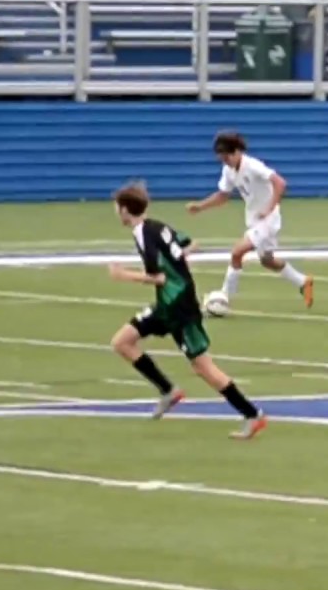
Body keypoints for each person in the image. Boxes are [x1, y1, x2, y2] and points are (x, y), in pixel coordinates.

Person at [108, 181, 268, 440]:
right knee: (122, 342)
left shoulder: (144, 234)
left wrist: (123, 274)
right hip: (167, 304)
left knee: (203, 366)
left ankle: (252, 414)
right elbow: (191, 244)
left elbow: (158, 277)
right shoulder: (157, 226)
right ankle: (168, 390)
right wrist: (176, 262)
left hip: (178, 307)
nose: (116, 212)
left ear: (125, 210)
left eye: (117, 207)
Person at [186, 131, 313, 310]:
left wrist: (269, 208)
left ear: (237, 151)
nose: (225, 161)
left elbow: (280, 183)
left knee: (237, 252)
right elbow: (223, 196)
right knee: (267, 261)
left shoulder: (253, 166)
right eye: (222, 158)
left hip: (267, 221)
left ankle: (225, 296)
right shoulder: (228, 170)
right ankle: (303, 282)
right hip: (255, 220)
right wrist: (200, 207)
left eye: (227, 157)